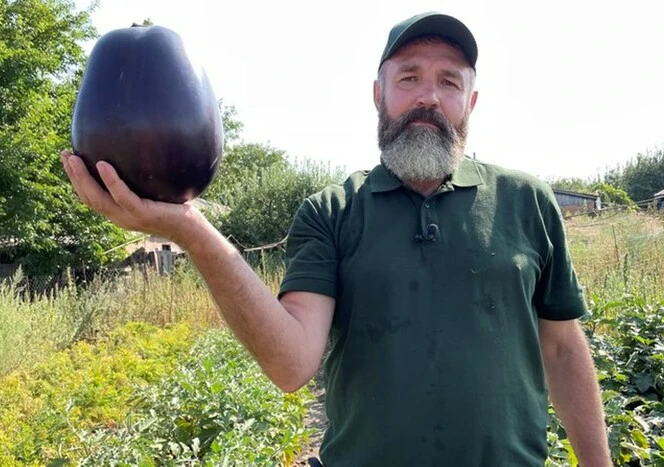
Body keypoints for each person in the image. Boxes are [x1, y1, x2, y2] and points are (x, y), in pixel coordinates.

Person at [60, 11, 612, 467]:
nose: (429, 97)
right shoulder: (332, 212)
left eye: (450, 81)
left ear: (471, 101)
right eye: (409, 77)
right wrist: (192, 230)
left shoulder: (527, 201)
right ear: (378, 93)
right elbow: (291, 364)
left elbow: (561, 347)